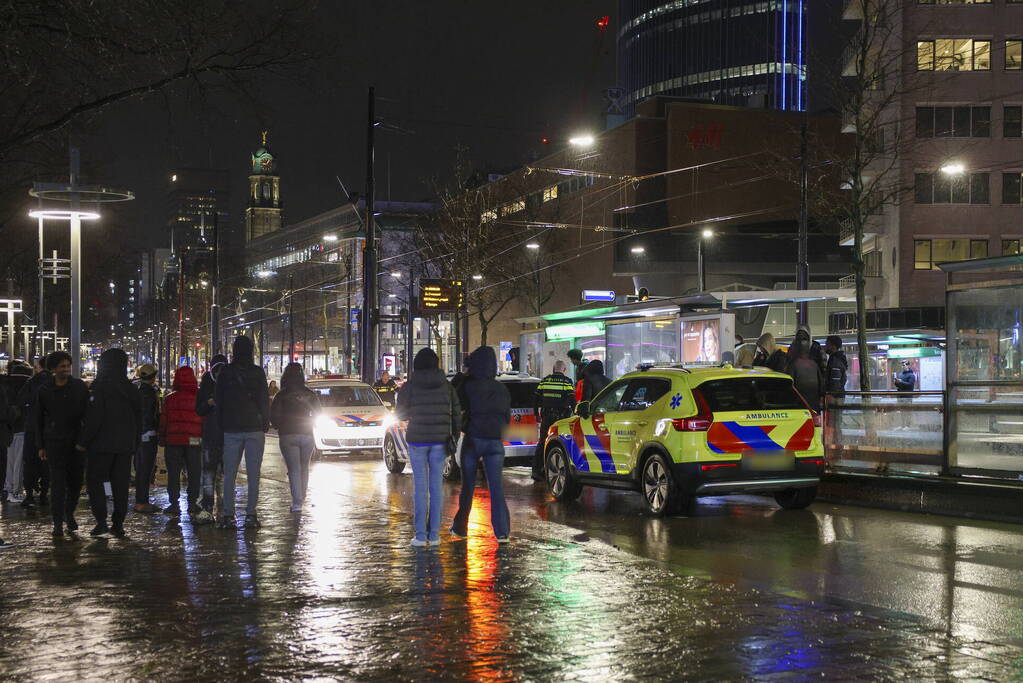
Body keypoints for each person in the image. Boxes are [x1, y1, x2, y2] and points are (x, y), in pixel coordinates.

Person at [396, 349, 461, 547]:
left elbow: (400, 413)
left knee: (420, 488)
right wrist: (454, 437)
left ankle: (420, 535)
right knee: (436, 487)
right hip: (440, 441)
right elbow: (456, 413)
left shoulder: (410, 386)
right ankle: (434, 535)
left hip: (417, 440)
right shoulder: (446, 386)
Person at [78, 349, 141, 537]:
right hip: (124, 446)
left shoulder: (100, 387)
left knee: (96, 481)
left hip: (101, 445)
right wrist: (135, 442)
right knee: (120, 485)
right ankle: (118, 523)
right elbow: (139, 418)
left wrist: (83, 441)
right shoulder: (131, 389)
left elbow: (94, 418)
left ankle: (101, 520)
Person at [451, 346, 511, 542]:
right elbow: (506, 416)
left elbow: (455, 400)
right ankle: (502, 533)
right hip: (495, 442)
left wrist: (462, 376)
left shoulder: (468, 385)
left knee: (468, 486)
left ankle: (460, 528)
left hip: (474, 439)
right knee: (496, 488)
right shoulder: (501, 388)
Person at [216, 335, 270, 529]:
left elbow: (219, 400)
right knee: (254, 474)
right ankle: (250, 514)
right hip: (254, 427)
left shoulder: (226, 372)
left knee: (229, 474)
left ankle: (229, 515)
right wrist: (265, 422)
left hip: (231, 427)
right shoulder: (257, 372)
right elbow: (264, 399)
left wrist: (221, 423)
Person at [35, 351, 89, 537]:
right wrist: (41, 445)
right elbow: (38, 418)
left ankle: (69, 513)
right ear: (53, 369)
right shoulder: (44, 390)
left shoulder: (79, 387)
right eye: (62, 367)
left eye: (68, 366)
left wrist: (84, 441)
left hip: (76, 443)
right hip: (55, 442)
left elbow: (87, 415)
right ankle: (57, 522)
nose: (66, 370)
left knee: (75, 482)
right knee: (57, 485)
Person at [270, 362, 321, 513]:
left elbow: (274, 416)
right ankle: (302, 497)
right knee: (304, 467)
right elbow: (318, 413)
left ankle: (297, 502)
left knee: (293, 469)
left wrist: (280, 425)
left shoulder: (281, 395)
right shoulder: (310, 394)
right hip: (307, 433)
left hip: (288, 434)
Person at [160, 366, 203, 519]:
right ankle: (192, 502)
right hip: (194, 439)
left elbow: (164, 421)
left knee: (173, 473)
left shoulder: (170, 398)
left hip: (174, 440)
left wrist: (163, 438)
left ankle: (174, 503)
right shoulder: (199, 397)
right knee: (194, 471)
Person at [194, 354, 227, 525]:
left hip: (227, 436)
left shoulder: (231, 382)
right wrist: (209, 403)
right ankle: (208, 508)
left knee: (224, 474)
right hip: (212, 436)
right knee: (209, 474)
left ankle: (224, 509)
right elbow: (199, 409)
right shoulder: (207, 383)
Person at [531, 360, 575, 482]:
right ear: (564, 370)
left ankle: (536, 470)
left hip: (546, 416)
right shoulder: (567, 381)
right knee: (561, 443)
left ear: (553, 369)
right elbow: (572, 399)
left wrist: (536, 413)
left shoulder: (544, 380)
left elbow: (535, 398)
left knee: (542, 442)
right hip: (561, 417)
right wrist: (576, 412)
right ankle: (559, 469)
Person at [17, 356, 50, 508]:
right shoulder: (57, 382)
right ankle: (44, 494)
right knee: (47, 462)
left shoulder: (32, 382)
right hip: (50, 429)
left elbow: (21, 401)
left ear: (39, 366)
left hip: (32, 427)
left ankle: (29, 494)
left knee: (30, 461)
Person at [2, 362, 31, 503]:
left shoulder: (6, 387)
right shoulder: (23, 388)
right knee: (19, 462)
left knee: (11, 461)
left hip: (9, 430)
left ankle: (8, 489)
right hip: (20, 428)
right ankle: (16, 491)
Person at [133, 363, 160, 513]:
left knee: (140, 469)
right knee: (145, 470)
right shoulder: (150, 393)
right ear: (153, 376)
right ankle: (142, 502)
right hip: (148, 436)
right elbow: (150, 416)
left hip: (138, 436)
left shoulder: (136, 391)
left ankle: (141, 500)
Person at [785, 333, 825, 411]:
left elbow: (787, 386)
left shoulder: (793, 365)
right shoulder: (814, 365)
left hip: (797, 406)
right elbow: (821, 386)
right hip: (813, 406)